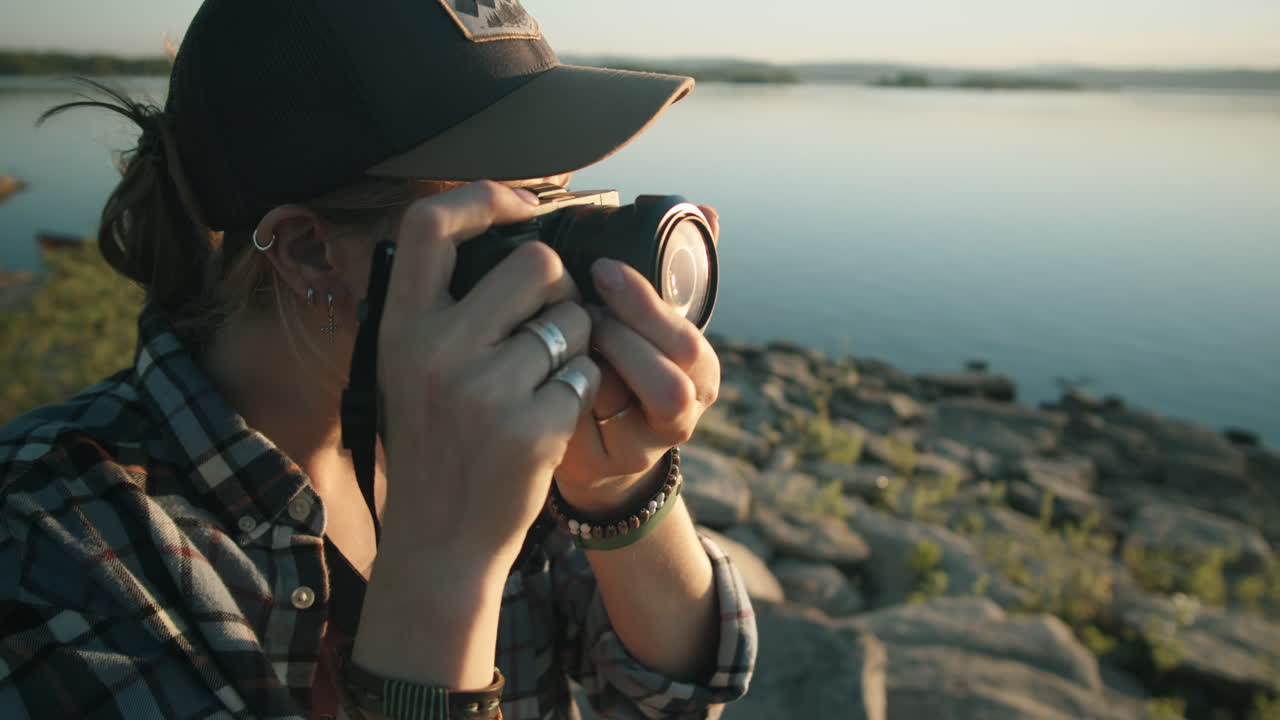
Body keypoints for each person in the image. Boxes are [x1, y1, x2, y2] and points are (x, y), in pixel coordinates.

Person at [0, 1, 757, 719]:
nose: (559, 262)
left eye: (564, 199)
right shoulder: (46, 544)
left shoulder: (498, 411)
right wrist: (444, 565)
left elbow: (679, 697)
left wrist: (617, 490)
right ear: (309, 252)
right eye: (518, 215)